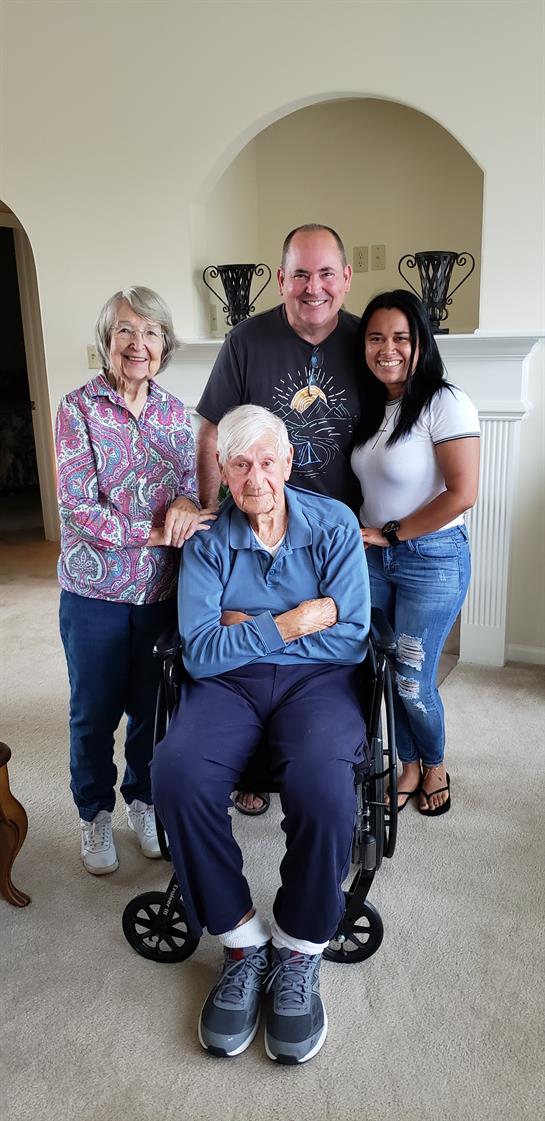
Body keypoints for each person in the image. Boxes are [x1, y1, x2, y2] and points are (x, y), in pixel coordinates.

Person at [151, 405, 370, 1064]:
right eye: (239, 463)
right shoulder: (211, 539)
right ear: (221, 469)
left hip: (319, 685)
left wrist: (241, 623)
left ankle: (301, 948)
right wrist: (292, 621)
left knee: (324, 785)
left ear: (287, 464)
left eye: (266, 461)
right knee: (177, 771)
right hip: (229, 686)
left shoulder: (331, 524)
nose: (255, 477)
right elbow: (200, 652)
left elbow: (353, 632)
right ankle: (241, 941)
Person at [197, 223, 361, 813]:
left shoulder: (366, 339)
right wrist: (213, 514)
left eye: (324, 273)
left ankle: (327, 766)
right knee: (247, 649)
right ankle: (249, 763)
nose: (311, 287)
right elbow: (214, 430)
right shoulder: (247, 339)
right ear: (280, 278)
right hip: (252, 524)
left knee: (343, 657)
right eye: (298, 274)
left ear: (345, 278)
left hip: (338, 535)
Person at [56, 286, 214, 875]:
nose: (137, 344)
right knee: (93, 713)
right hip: (93, 594)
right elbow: (77, 509)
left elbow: (195, 499)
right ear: (107, 339)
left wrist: (182, 504)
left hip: (159, 595)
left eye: (149, 332)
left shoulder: (178, 416)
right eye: (125, 330)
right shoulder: (78, 409)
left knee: (154, 711)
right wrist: (154, 534)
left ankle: (143, 801)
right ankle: (92, 814)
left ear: (165, 343)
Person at [351, 290, 480, 816]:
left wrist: (393, 533)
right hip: (376, 561)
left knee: (412, 677)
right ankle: (406, 764)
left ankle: (434, 763)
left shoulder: (445, 401)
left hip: (432, 557)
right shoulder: (374, 406)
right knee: (382, 670)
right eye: (376, 337)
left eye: (401, 337)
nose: (388, 349)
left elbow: (462, 493)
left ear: (421, 342)